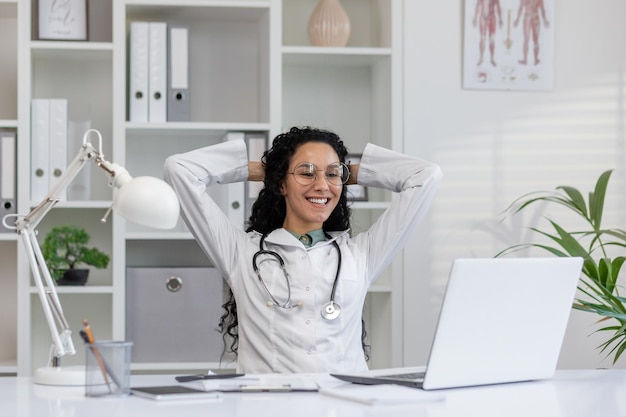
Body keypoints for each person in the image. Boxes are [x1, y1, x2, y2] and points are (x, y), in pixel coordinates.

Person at [163, 126, 442, 373]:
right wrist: (262, 170)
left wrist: (355, 174)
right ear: (281, 184)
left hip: (346, 407)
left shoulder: (360, 255)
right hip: (270, 407)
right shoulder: (240, 253)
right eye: (306, 172)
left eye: (333, 174)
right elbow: (180, 169)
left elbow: (426, 176)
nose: (321, 185)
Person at [513, 0, 549, 65]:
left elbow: (542, 8)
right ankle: (527, 60)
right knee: (528, 39)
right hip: (530, 18)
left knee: (534, 40)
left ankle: (533, 60)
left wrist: (545, 19)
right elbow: (521, 7)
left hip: (533, 18)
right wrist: (517, 19)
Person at [472, 0, 503, 67]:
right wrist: (475, 18)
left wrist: (500, 19)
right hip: (483, 17)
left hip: (492, 18)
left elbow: (498, 7)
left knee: (492, 39)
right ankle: (481, 58)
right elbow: (478, 5)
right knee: (482, 38)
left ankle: (492, 58)